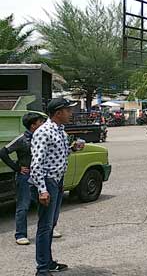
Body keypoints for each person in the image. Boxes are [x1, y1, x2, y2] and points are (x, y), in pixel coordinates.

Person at [30, 98, 84, 275]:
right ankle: (42, 269)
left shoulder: (60, 130)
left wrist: (73, 149)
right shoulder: (43, 132)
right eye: (68, 110)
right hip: (47, 182)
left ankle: (49, 262)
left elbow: (56, 155)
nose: (71, 113)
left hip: (57, 181)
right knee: (45, 226)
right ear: (58, 113)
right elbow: (36, 164)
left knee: (50, 225)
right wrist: (42, 190)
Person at [0, 112, 47, 245]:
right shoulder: (22, 139)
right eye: (40, 122)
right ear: (33, 126)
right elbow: (3, 152)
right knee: (23, 205)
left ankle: (46, 229)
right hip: (25, 175)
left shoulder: (43, 137)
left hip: (40, 174)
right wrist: (17, 168)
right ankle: (20, 234)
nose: (43, 124)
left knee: (44, 203)